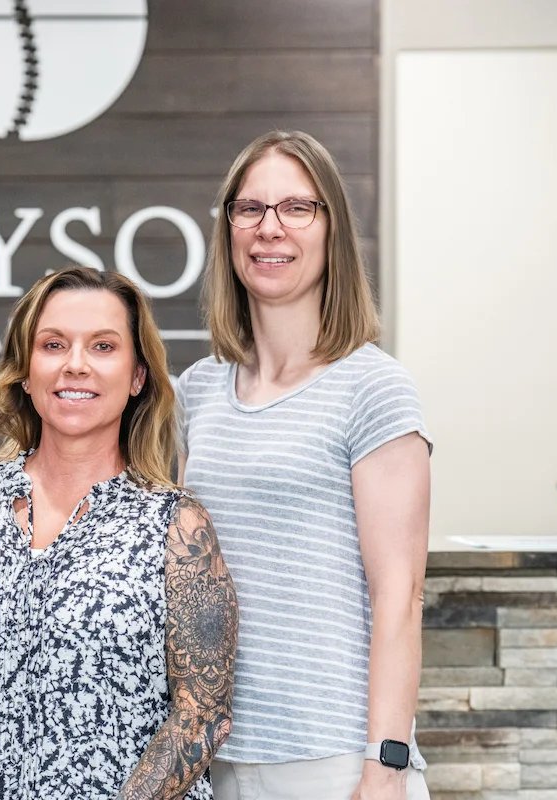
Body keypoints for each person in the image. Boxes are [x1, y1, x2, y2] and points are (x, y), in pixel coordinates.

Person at [0, 266, 238, 799]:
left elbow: (203, 711)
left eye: (103, 347)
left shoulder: (176, 525)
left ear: (138, 376)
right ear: (26, 373)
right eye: (53, 345)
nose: (75, 365)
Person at [176, 130, 432, 800]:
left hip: (338, 760)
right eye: (250, 209)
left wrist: (386, 765)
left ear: (331, 230)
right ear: (228, 227)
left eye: (297, 208)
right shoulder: (196, 392)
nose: (270, 229)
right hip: (220, 762)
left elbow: (399, 597)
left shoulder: (372, 388)